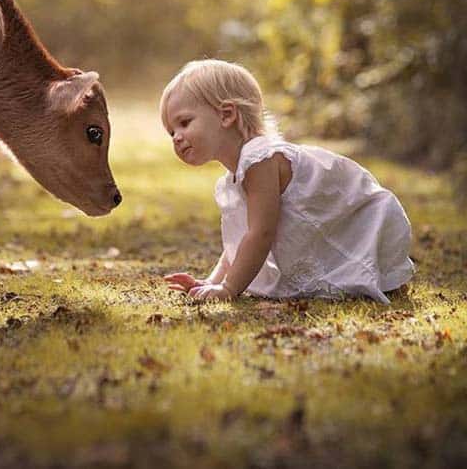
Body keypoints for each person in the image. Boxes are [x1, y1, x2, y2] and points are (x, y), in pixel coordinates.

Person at [161, 59, 414, 304]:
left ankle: (374, 272)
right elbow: (239, 240)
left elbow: (261, 234)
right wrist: (211, 282)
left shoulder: (260, 160)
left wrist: (229, 288)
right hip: (329, 226)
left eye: (184, 123)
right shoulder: (236, 174)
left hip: (360, 221)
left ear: (227, 115)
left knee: (350, 268)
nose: (177, 137)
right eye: (172, 131)